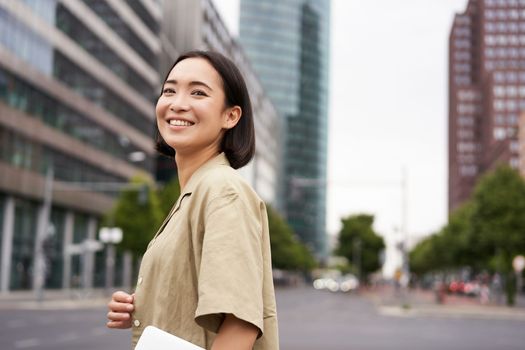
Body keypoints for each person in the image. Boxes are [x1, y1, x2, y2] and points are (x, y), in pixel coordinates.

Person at [106, 50, 279, 350]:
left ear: (230, 116)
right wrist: (143, 309)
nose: (178, 103)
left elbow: (240, 327)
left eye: (198, 92)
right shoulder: (193, 194)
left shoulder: (222, 191)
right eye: (169, 90)